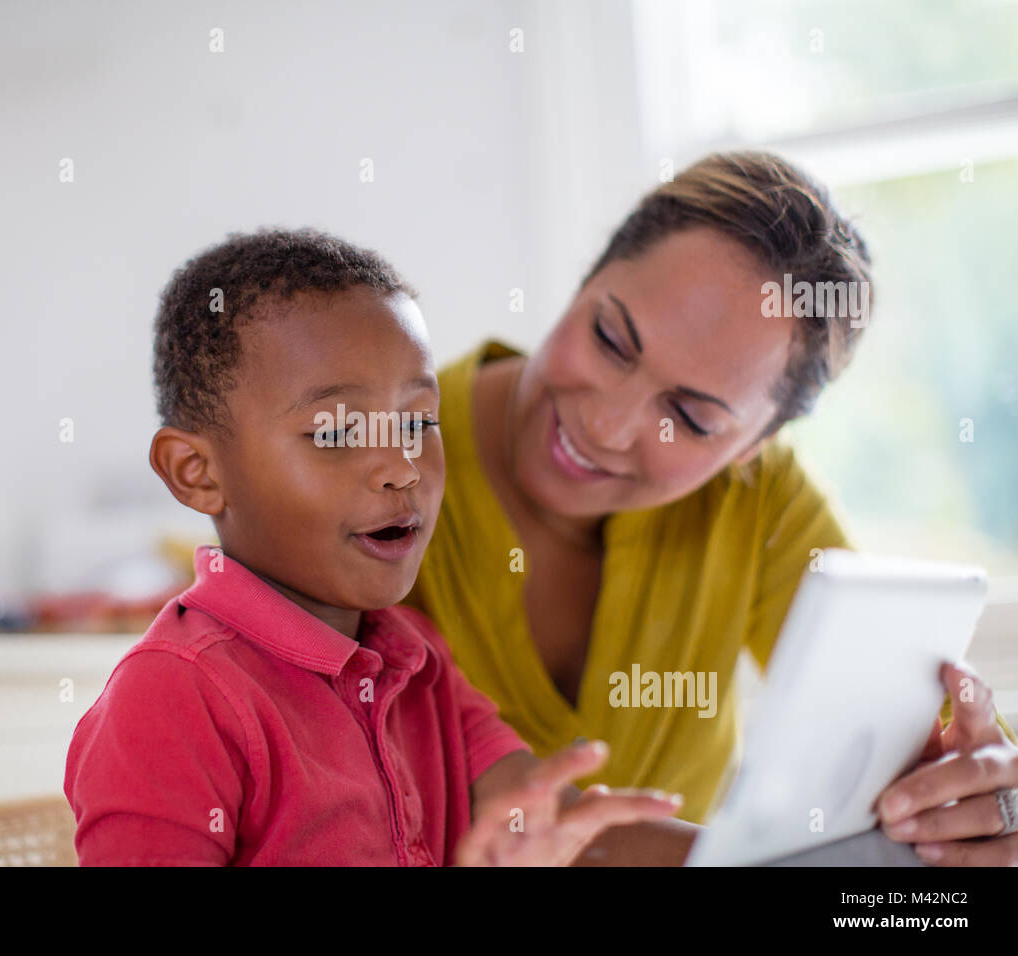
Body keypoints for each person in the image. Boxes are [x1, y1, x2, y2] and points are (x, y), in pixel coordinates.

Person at [402, 151, 1018, 865]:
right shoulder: (377, 471)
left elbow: (929, 745)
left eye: (692, 418)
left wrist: (979, 807)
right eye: (611, 339)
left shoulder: (758, 505)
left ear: (756, 445)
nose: (607, 426)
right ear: (588, 277)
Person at [63, 227, 681, 865]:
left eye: (417, 422)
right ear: (198, 472)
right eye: (336, 431)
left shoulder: (418, 661)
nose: (401, 466)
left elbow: (551, 826)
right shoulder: (173, 697)